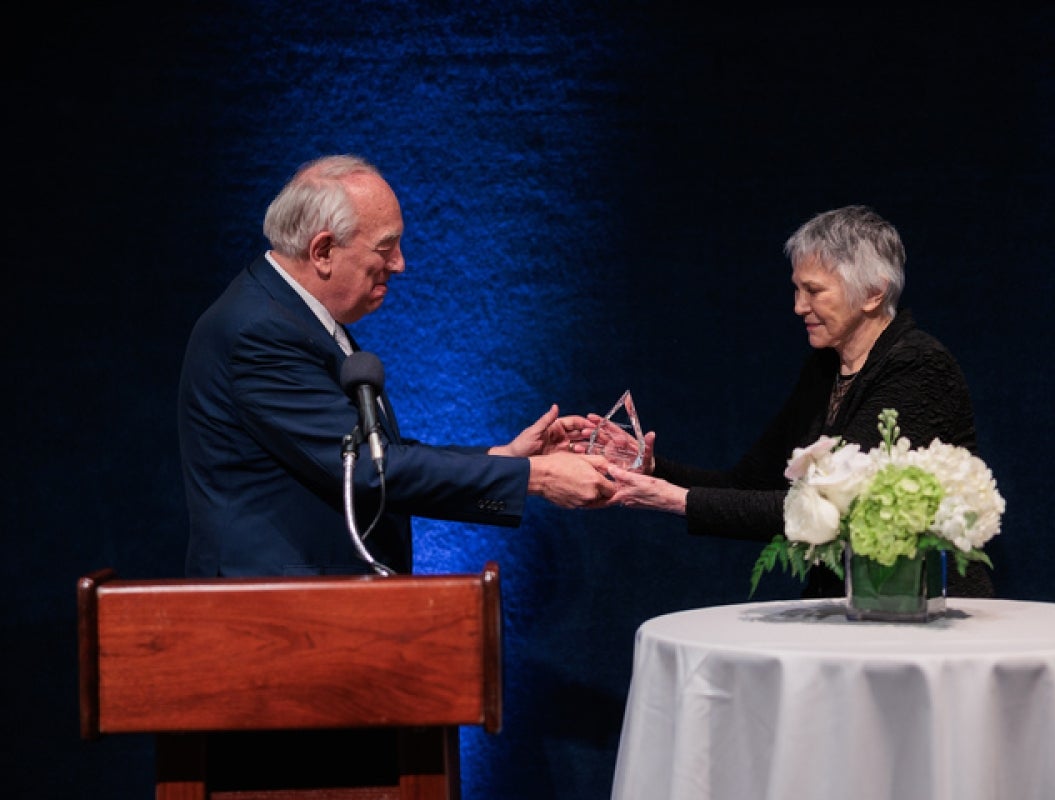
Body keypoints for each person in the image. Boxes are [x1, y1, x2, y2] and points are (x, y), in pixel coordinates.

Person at [178, 153, 614, 578]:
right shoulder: (258, 331)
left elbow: (377, 456)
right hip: (273, 610)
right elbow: (368, 470)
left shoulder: (290, 313)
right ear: (324, 250)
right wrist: (533, 477)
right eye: (385, 248)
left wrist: (505, 457)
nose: (400, 264)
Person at [582, 205, 992, 598]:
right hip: (851, 605)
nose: (798, 307)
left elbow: (835, 510)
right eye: (796, 289)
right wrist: (653, 468)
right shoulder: (823, 370)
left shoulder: (919, 366)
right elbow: (748, 485)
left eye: (813, 291)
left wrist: (674, 500)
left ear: (871, 293)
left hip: (918, 606)